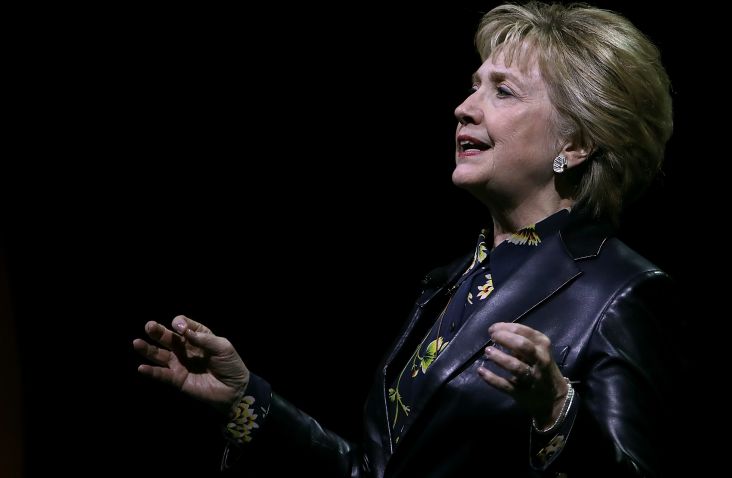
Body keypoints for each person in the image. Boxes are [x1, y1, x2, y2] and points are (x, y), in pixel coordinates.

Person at [133, 2, 676, 476]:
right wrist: (245, 400)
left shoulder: (621, 291)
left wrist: (558, 411)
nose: (464, 106)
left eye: (503, 91)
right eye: (474, 85)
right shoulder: (453, 281)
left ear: (576, 143)